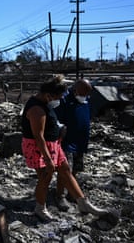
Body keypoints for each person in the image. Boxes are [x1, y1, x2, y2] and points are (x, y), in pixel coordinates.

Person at [21, 75, 107, 221]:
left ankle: (83, 203)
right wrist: (48, 159)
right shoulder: (36, 109)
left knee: (66, 170)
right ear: (48, 95)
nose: (60, 100)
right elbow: (39, 136)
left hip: (53, 144)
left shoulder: (45, 102)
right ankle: (40, 208)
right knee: (45, 177)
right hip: (39, 147)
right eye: (58, 97)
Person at [54, 78, 93, 211]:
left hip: (80, 140)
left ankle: (72, 192)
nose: (85, 97)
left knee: (76, 168)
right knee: (65, 170)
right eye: (83, 94)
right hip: (67, 141)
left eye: (87, 94)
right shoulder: (64, 100)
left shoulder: (85, 100)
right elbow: (57, 121)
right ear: (75, 91)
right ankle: (60, 196)